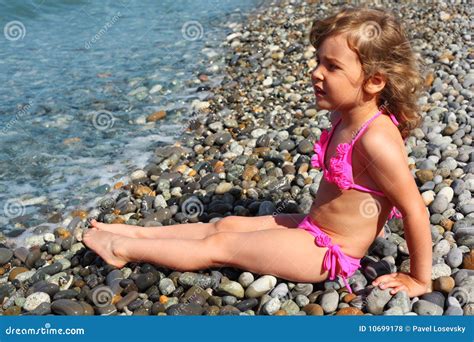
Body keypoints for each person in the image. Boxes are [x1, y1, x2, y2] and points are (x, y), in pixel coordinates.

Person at [83, 6, 432, 298]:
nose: (315, 73)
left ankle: (121, 249)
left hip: (327, 252)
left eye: (332, 66)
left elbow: (414, 208)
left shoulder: (376, 139)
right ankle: (136, 233)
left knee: (221, 247)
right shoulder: (346, 116)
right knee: (226, 224)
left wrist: (418, 279)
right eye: (318, 61)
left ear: (374, 81)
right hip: (313, 226)